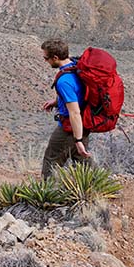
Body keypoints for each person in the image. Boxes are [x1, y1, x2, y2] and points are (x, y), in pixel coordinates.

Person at [40, 38, 92, 178]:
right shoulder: (76, 66)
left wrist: (78, 140)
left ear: (55, 58)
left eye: (46, 58)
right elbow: (78, 93)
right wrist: (57, 101)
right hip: (83, 125)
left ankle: (47, 194)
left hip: (69, 127)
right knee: (82, 164)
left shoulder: (64, 81)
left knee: (51, 161)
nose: (46, 61)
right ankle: (92, 191)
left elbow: (74, 112)